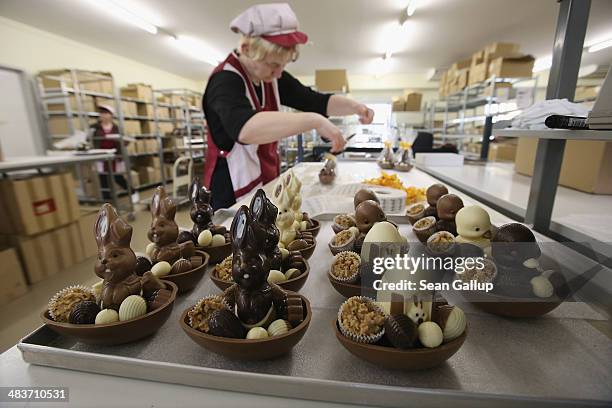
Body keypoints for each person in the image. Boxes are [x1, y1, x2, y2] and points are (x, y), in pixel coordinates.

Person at [203, 3, 374, 210]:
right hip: (230, 185)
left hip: (265, 174)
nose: (278, 74)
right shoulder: (224, 80)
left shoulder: (270, 76)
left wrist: (356, 107)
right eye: (274, 65)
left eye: (283, 65)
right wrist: (314, 121)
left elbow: (314, 100)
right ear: (247, 49)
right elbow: (245, 129)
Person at [91, 104, 128, 195]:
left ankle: (132, 191)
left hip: (115, 156)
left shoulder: (117, 128)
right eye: (101, 113)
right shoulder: (94, 127)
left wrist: (124, 142)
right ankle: (107, 200)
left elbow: (123, 141)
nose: (103, 115)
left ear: (111, 115)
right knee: (103, 178)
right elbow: (90, 140)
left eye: (106, 113)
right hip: (101, 156)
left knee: (117, 177)